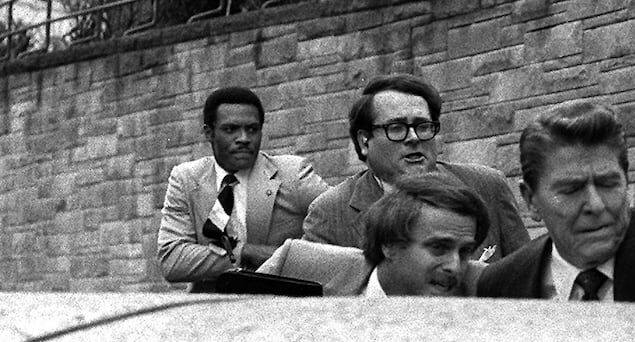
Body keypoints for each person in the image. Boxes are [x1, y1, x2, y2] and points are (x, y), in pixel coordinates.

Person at [475, 100, 635, 304]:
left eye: (607, 184)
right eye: (572, 190)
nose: (596, 205)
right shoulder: (501, 287)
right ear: (530, 200)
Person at [303, 74, 528, 262]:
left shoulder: (487, 186)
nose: (413, 137)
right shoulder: (330, 214)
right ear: (364, 142)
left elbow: (527, 276)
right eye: (396, 127)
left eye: (423, 126)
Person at [157, 87, 329, 292]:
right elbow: (172, 259)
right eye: (231, 129)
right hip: (211, 305)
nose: (244, 138)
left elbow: (341, 218)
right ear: (209, 132)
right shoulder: (186, 179)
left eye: (253, 129)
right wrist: (246, 252)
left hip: (279, 304)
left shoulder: (292, 174)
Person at [257, 173, 489, 297]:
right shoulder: (297, 266)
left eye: (465, 251)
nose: (455, 266)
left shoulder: (485, 290)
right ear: (390, 244)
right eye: (439, 248)